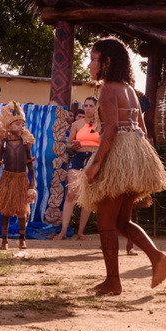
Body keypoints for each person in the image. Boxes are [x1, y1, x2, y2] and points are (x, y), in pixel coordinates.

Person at [70, 37, 166, 295]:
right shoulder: (128, 90)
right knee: (122, 222)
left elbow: (111, 128)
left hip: (118, 154)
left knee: (106, 222)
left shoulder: (109, 90)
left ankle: (113, 280)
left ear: (107, 62)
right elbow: (144, 129)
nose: (90, 64)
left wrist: (97, 163)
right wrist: (142, 162)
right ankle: (156, 256)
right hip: (135, 152)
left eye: (93, 58)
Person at [0, 102, 35, 251]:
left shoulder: (26, 143)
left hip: (21, 179)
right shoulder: (3, 144)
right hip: (6, 179)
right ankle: (4, 241)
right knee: (6, 211)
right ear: (9, 126)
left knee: (21, 210)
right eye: (18, 124)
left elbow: (29, 163)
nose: (21, 128)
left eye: (23, 125)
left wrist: (32, 180)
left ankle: (22, 240)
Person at [53, 96, 99, 241]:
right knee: (71, 193)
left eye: (91, 106)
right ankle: (63, 231)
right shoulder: (77, 124)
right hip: (78, 158)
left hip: (93, 160)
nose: (88, 108)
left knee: (88, 197)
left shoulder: (101, 125)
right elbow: (67, 144)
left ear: (96, 108)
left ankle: (80, 232)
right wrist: (73, 145)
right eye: (86, 105)